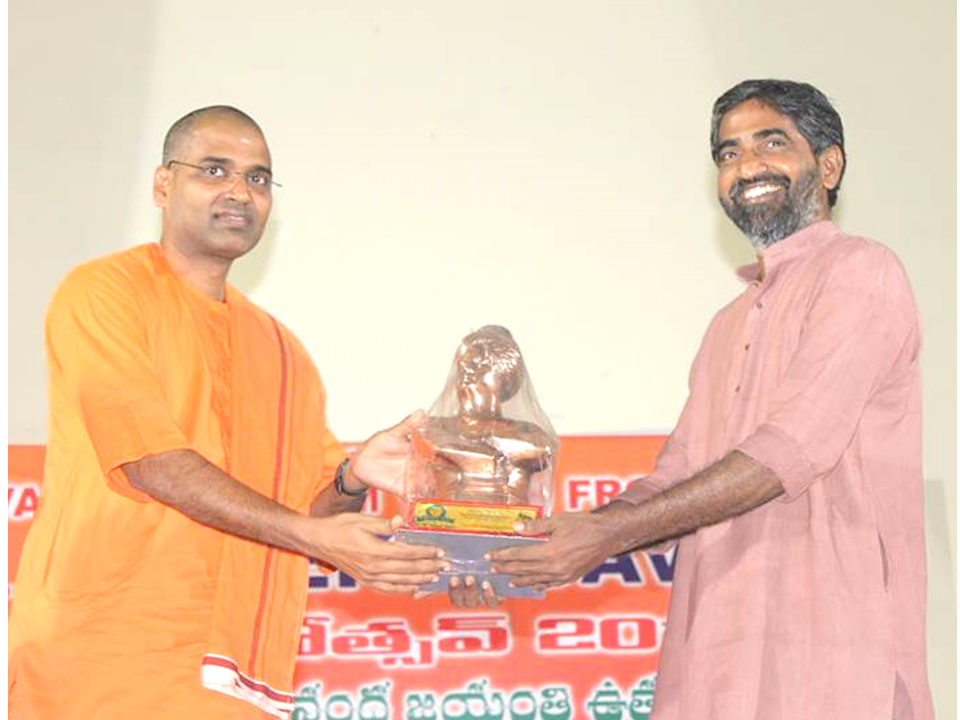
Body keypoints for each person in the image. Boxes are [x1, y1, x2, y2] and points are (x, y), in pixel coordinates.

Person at [488, 80, 934, 719]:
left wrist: (605, 532)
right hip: (719, 661)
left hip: (834, 659)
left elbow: (792, 449)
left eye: (770, 143)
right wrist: (534, 544)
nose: (746, 166)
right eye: (727, 154)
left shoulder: (862, 271)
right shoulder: (727, 324)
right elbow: (675, 477)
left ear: (828, 164)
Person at [8, 105, 447, 719]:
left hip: (236, 676)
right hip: (104, 657)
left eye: (258, 178)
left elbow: (307, 512)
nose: (240, 191)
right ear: (164, 185)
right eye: (214, 170)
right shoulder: (104, 293)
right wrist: (309, 532)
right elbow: (149, 461)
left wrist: (353, 477)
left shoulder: (284, 352)